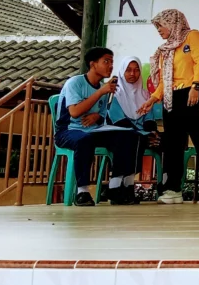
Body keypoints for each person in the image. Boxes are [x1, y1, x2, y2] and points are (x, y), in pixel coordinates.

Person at [138, 9, 199, 205]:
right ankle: (173, 190)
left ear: (173, 22)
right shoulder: (165, 50)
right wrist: (153, 99)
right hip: (171, 98)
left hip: (194, 92)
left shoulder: (193, 37)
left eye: (161, 25)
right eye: (157, 27)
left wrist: (196, 86)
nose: (159, 30)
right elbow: (165, 82)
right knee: (173, 144)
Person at [55, 47, 145, 206]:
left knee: (130, 135)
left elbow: (103, 115)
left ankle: (116, 187)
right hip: (68, 131)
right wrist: (100, 92)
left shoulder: (104, 87)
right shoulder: (75, 83)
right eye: (106, 61)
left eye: (111, 62)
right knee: (84, 140)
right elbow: (74, 112)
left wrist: (97, 115)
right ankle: (82, 192)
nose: (110, 66)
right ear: (93, 64)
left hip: (93, 130)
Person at [106, 55, 162, 201]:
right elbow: (117, 120)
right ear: (122, 72)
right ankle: (115, 187)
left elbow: (149, 119)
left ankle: (128, 187)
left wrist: (151, 130)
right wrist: (138, 131)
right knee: (130, 138)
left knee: (152, 139)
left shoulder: (144, 94)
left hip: (137, 134)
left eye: (136, 70)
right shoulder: (115, 94)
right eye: (128, 70)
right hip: (117, 133)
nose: (133, 74)